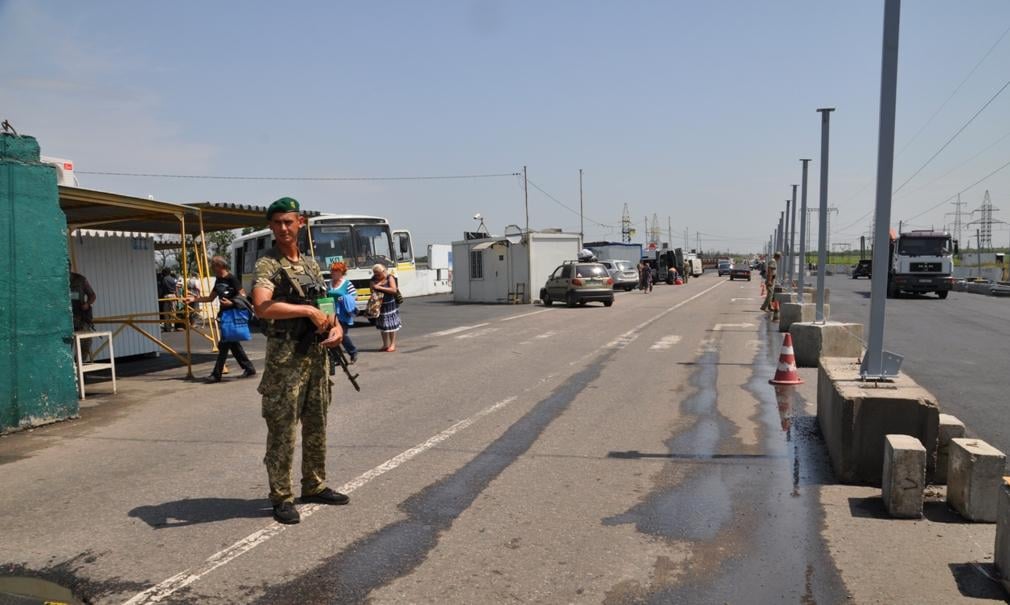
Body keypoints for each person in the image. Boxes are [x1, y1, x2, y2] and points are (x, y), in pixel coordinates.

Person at [251, 197, 348, 525]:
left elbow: (324, 303)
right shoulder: (268, 264)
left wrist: (336, 327)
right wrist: (306, 311)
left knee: (317, 423)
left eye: (288, 222)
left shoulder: (308, 263)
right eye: (277, 223)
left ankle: (314, 484)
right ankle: (281, 496)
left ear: (301, 222)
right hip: (286, 359)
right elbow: (262, 306)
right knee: (283, 429)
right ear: (271, 226)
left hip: (316, 357)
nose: (283, 228)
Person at [185, 256, 256, 383]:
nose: (212, 268)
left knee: (224, 345)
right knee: (233, 344)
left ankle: (216, 374)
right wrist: (194, 299)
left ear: (220, 266)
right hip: (224, 315)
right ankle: (249, 368)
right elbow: (210, 298)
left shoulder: (232, 279)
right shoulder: (218, 280)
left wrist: (232, 302)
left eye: (213, 265)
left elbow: (243, 295)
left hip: (233, 314)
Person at [328, 261, 358, 364]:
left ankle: (353, 352)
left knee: (342, 334)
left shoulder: (347, 283)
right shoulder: (329, 283)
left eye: (335, 271)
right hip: (330, 312)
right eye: (332, 270)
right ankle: (336, 358)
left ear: (341, 272)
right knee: (331, 335)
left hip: (343, 313)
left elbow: (354, 296)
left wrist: (344, 298)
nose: (333, 273)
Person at [370, 263, 401, 352]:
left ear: (383, 271)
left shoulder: (390, 277)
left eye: (378, 274)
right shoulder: (373, 279)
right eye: (375, 274)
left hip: (390, 304)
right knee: (382, 325)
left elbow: (393, 290)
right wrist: (378, 284)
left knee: (391, 325)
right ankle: (385, 344)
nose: (377, 276)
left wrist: (379, 287)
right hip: (379, 305)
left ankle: (392, 344)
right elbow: (372, 289)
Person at [69, 267, 96, 360]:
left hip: (80, 318)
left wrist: (87, 304)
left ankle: (80, 368)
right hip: (65, 320)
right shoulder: (56, 280)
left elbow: (92, 295)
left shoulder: (80, 280)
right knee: (66, 346)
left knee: (85, 344)